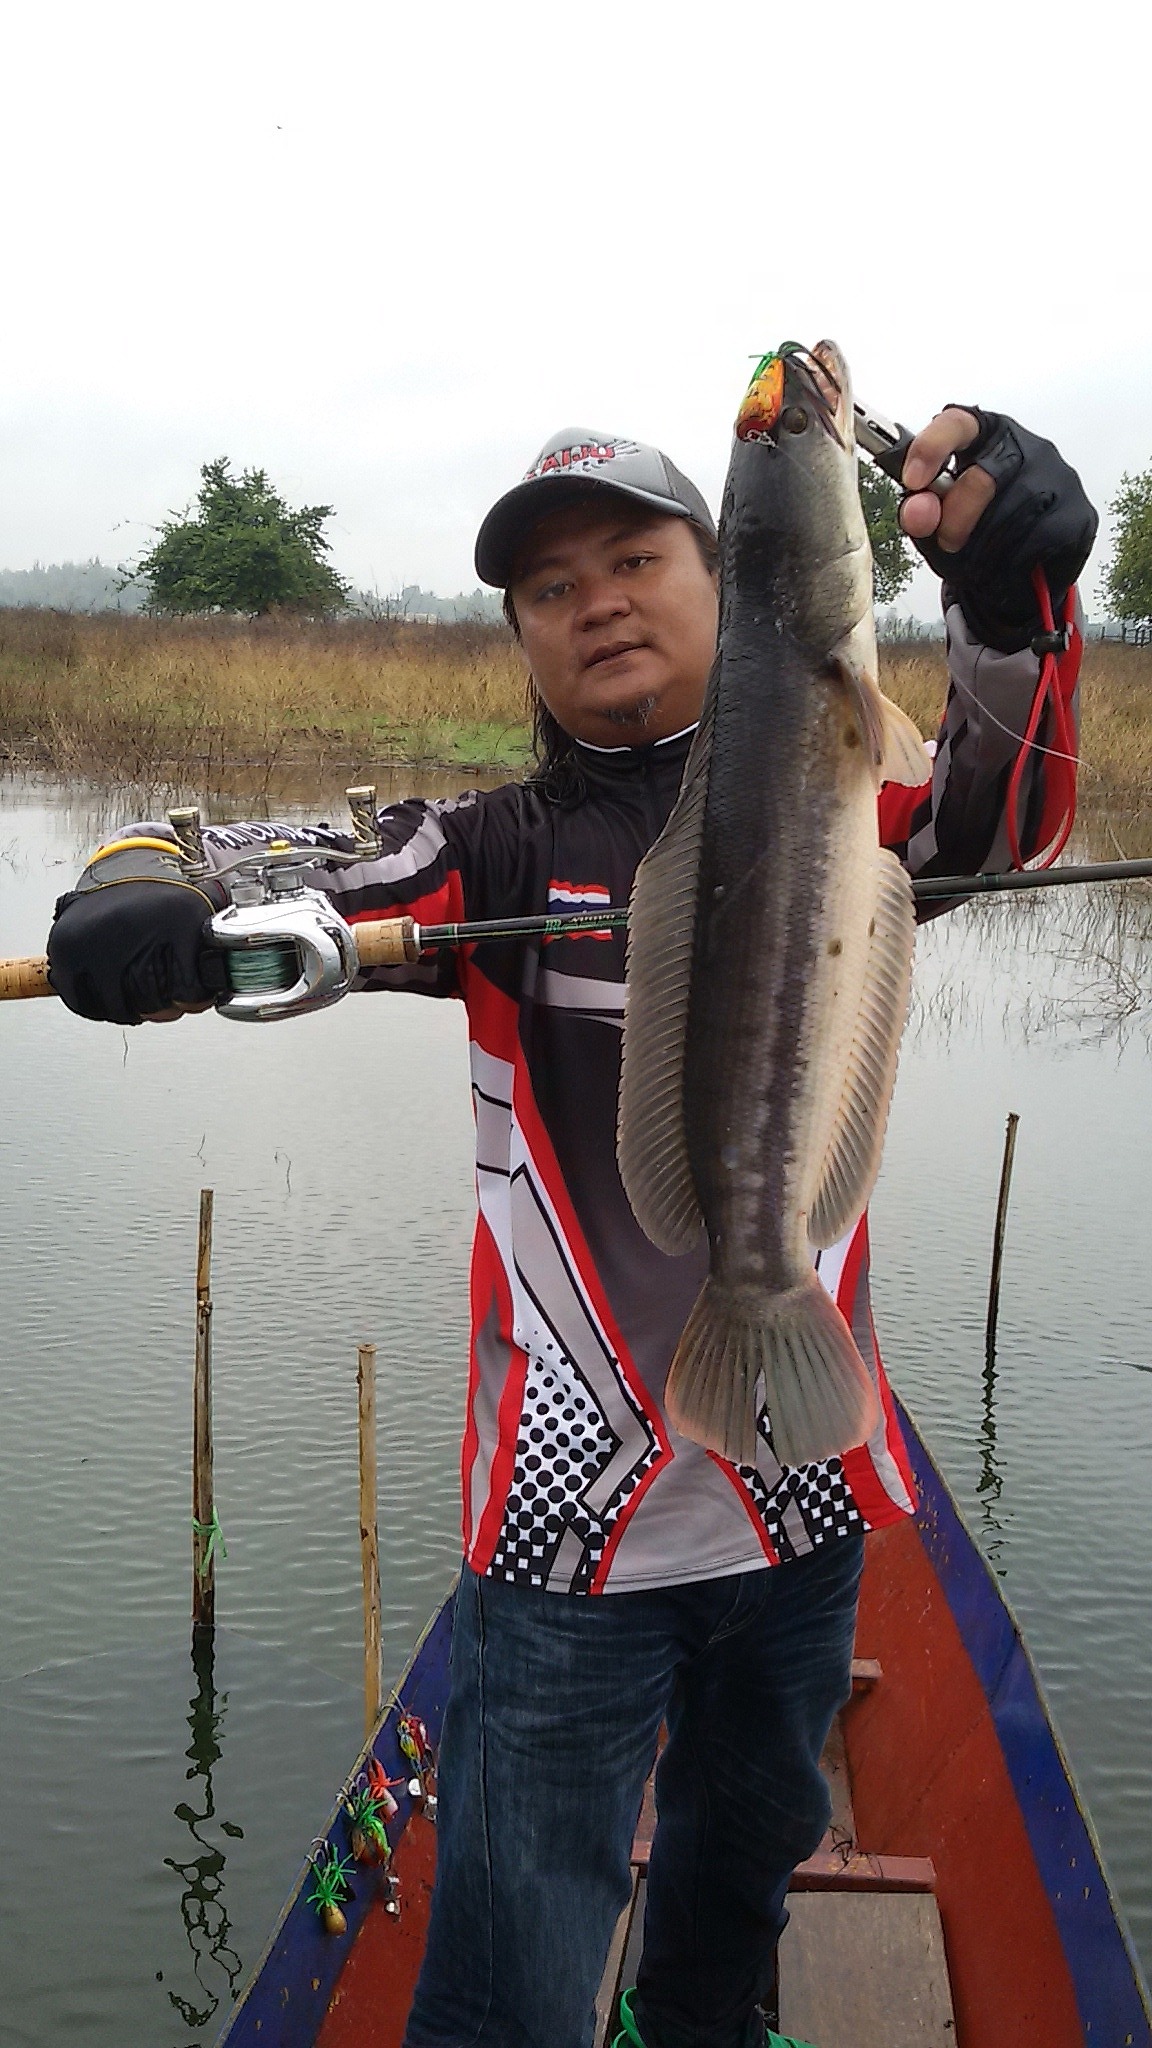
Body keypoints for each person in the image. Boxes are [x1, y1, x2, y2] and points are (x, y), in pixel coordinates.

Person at [48, 395, 1097, 2048]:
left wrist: (1017, 608)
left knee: (739, 1876)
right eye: (548, 589)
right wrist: (133, 876)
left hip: (806, 1496)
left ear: (736, 576)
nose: (595, 598)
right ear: (523, 643)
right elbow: (250, 854)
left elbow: (1009, 807)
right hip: (567, 1539)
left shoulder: (858, 795)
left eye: (635, 556)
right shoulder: (488, 849)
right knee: (507, 1986)